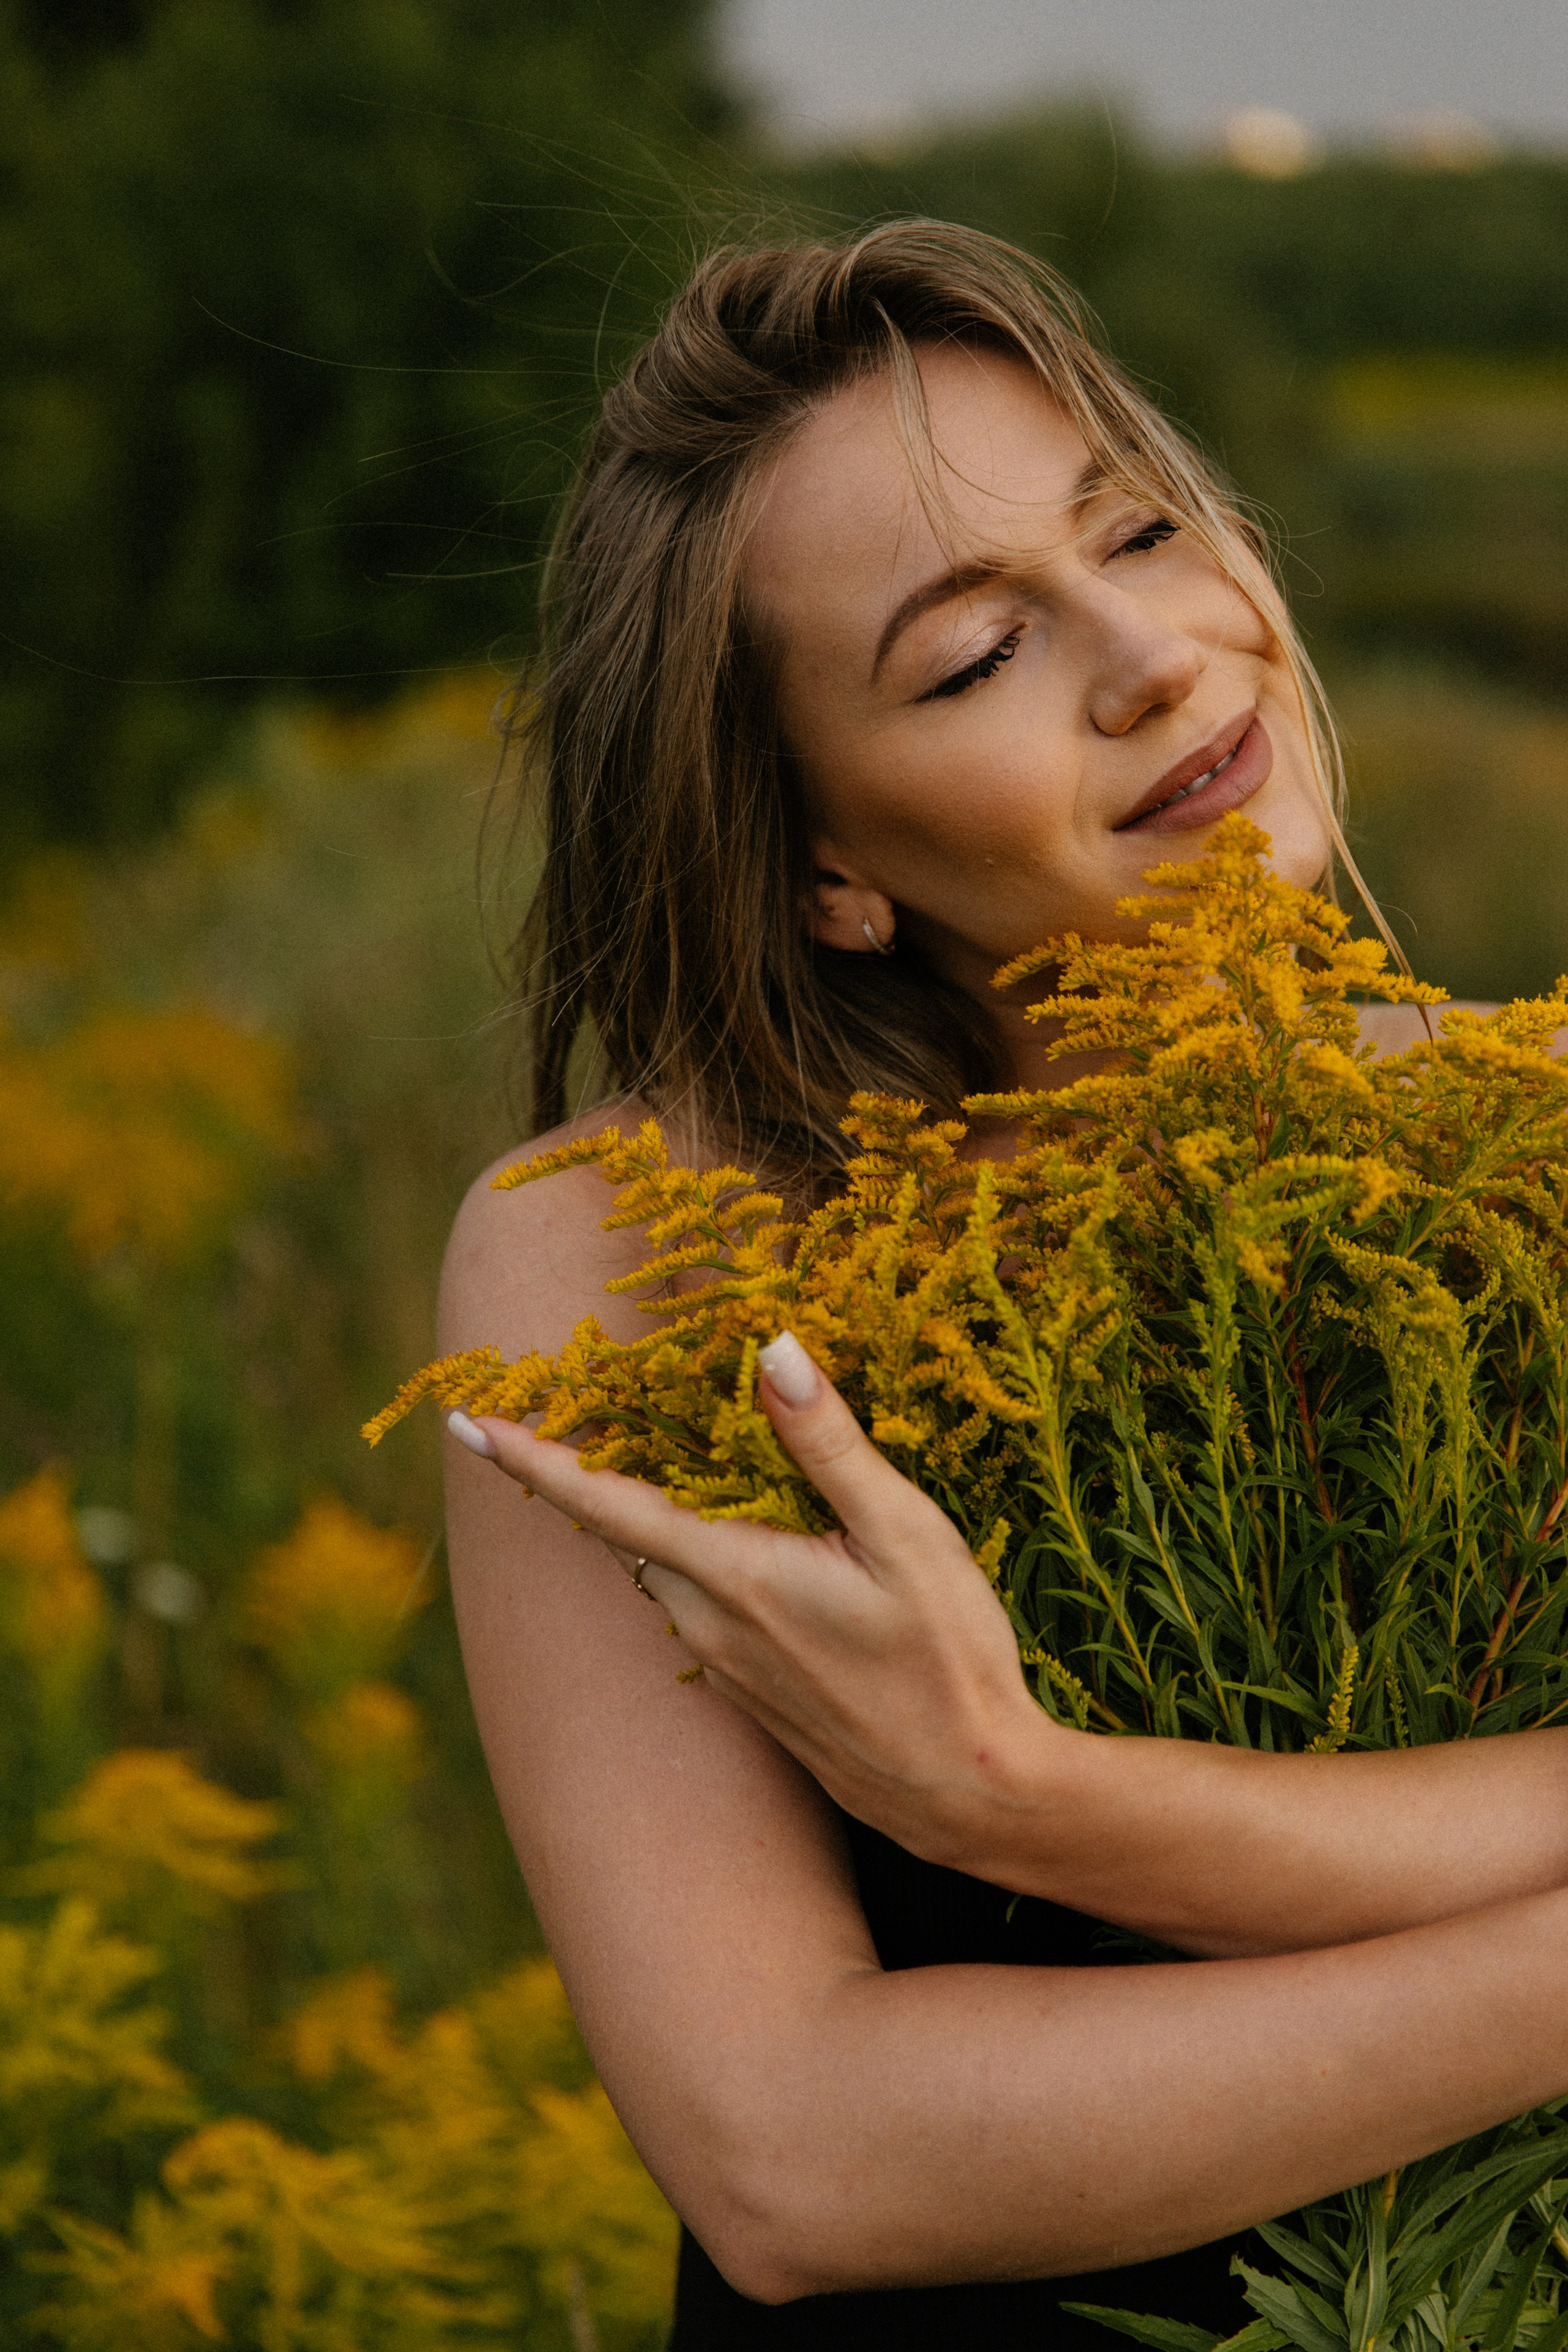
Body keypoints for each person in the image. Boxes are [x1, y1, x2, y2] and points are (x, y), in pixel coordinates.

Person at [439, 224, 1568, 2350]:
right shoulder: (626, 1254)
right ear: (820, 865)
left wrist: (1029, 1801)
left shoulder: (1535, 1141)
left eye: (1138, 527)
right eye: (971, 658)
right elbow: (794, 2155)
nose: (1150, 654)